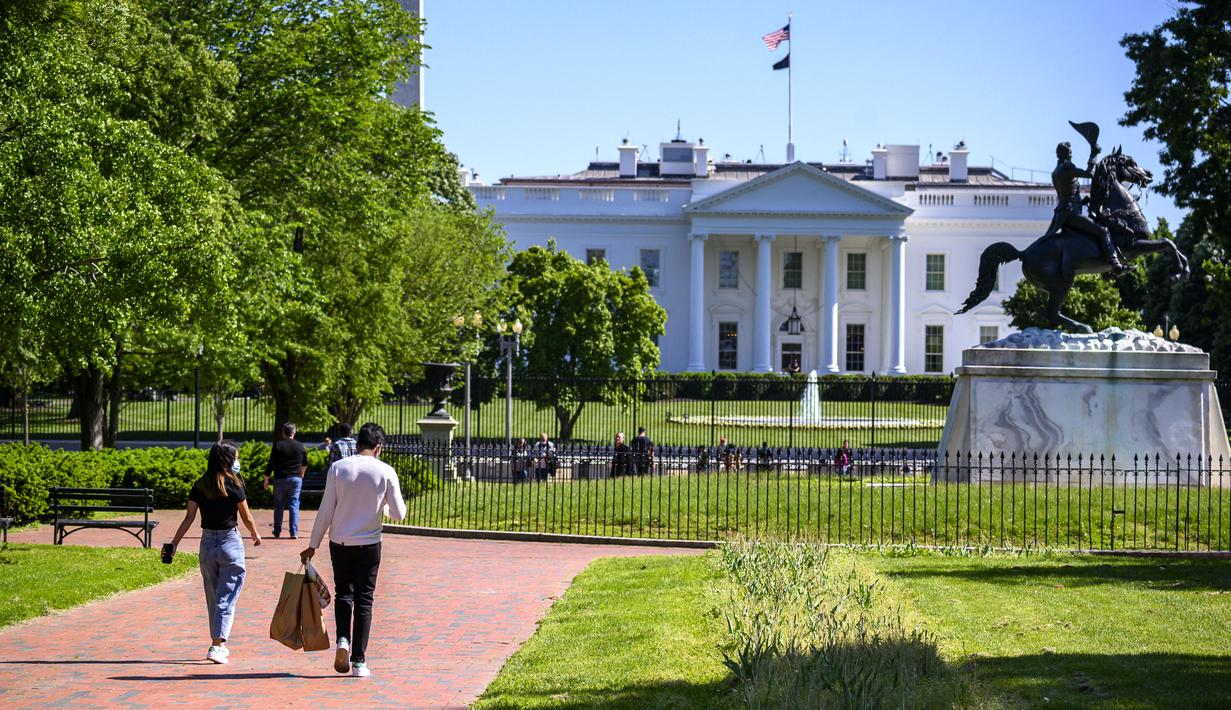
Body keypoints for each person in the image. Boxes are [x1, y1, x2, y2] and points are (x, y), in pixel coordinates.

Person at [301, 423, 406, 678]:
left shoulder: (338, 468)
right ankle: (359, 661)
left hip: (340, 542)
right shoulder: (386, 471)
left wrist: (312, 544)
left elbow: (326, 510)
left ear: (357, 443)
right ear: (378, 447)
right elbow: (400, 513)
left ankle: (342, 641)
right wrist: (383, 508)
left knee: (343, 594)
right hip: (369, 543)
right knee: (364, 600)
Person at [168, 441, 262, 664]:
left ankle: (218, 642)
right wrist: (255, 534)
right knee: (227, 596)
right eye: (236, 458)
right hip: (229, 542)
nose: (238, 462)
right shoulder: (234, 484)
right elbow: (246, 516)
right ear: (228, 460)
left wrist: (174, 543)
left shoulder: (200, 484)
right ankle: (217, 645)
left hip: (207, 544)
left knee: (214, 596)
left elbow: (189, 517)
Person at [1043, 140, 1129, 273]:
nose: (1071, 155)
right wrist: (1093, 154)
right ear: (1067, 154)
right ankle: (1115, 264)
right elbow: (1089, 173)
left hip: (1064, 212)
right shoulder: (1066, 167)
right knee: (1103, 231)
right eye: (1070, 152)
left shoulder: (1056, 171)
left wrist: (1081, 202)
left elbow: (1066, 194)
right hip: (1072, 214)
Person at [264, 421, 308, 538]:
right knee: (294, 505)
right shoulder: (300, 446)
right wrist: (302, 473)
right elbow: (305, 463)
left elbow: (271, 463)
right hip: (295, 479)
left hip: (280, 478)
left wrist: (266, 478)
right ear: (294, 432)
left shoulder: (278, 445)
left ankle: (277, 531)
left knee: (279, 506)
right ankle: (293, 532)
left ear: (283, 433)